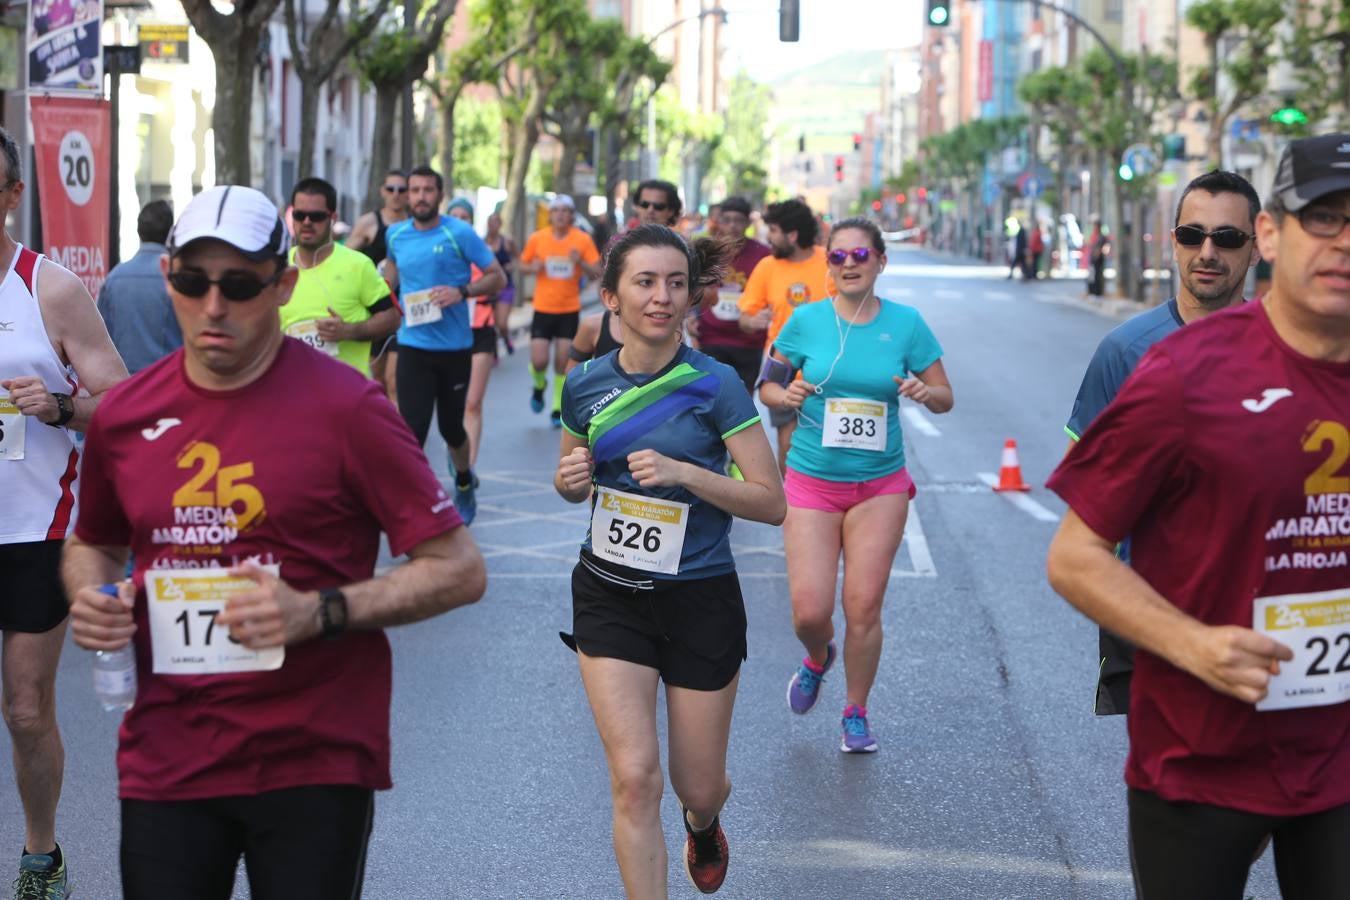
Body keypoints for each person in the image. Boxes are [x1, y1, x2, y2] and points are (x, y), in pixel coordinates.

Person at [61, 184, 486, 899]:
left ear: (282, 285)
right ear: (168, 277)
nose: (213, 306)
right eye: (192, 282)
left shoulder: (349, 408)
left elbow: (458, 568)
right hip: (168, 754)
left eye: (238, 285)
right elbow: (93, 543)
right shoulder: (126, 413)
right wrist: (91, 594)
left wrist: (317, 612)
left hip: (312, 756)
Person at [1045, 133, 1350, 898]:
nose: (1344, 242)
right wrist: (1194, 645)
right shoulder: (1180, 368)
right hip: (1201, 750)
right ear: (1273, 235)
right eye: (1323, 218)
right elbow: (1075, 555)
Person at [554, 224, 785, 897]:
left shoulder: (716, 386)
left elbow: (771, 503)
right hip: (609, 592)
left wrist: (686, 473)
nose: (662, 297)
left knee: (698, 785)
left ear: (690, 297)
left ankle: (703, 823)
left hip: (699, 596)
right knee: (634, 781)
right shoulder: (583, 385)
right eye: (646, 282)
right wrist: (568, 482)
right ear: (611, 297)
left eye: (676, 284)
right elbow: (571, 479)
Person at [1065, 170, 1261, 717]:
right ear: (1174, 242)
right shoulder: (1125, 350)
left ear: (1257, 246)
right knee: (1163, 759)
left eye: (1227, 238)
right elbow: (1087, 497)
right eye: (1192, 235)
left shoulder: (1287, 349)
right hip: (1151, 608)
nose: (1207, 253)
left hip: (1260, 607)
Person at [759, 217, 952, 753]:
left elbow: (945, 395)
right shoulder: (805, 321)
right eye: (838, 256)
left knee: (863, 606)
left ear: (880, 262)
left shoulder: (907, 324)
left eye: (860, 255)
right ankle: (818, 657)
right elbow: (767, 386)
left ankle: (856, 711)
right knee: (810, 612)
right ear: (828, 265)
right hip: (811, 482)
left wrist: (924, 392)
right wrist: (785, 396)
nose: (849, 264)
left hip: (880, 486)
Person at [0, 124, 128, 898]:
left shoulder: (48, 288)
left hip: (34, 530)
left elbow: (121, 400)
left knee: (24, 708)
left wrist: (56, 406)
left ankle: (40, 855)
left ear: (13, 195)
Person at [383, 166, 506, 525]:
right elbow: (391, 278)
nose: (420, 196)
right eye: (414, 190)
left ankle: (464, 481)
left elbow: (497, 278)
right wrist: (382, 295)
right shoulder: (395, 234)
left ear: (439, 194)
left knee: (452, 429)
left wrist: (462, 291)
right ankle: (416, 502)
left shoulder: (459, 233)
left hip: (454, 349)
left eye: (427, 190)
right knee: (413, 430)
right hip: (412, 345)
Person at [737, 199, 832, 472]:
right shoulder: (767, 266)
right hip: (782, 371)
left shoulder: (830, 263)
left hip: (827, 369)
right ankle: (793, 499)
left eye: (774, 230)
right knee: (789, 447)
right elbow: (745, 318)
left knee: (830, 449)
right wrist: (752, 320)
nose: (768, 237)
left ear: (792, 235)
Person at [282, 177, 399, 376]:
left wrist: (348, 331)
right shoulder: (279, 267)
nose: (307, 222)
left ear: (333, 218)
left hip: (347, 389)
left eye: (317, 216)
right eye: (300, 215)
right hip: (293, 386)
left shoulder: (358, 265)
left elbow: (392, 319)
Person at [519, 195, 601, 427]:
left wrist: (579, 262)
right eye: (556, 211)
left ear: (572, 215)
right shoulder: (538, 238)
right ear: (550, 215)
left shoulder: (582, 239)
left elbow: (596, 271)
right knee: (539, 360)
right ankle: (539, 385)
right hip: (543, 308)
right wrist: (532, 267)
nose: (560, 215)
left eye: (565, 211)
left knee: (563, 360)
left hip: (569, 309)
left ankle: (557, 407)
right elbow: (522, 265)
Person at [691, 198, 771, 393]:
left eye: (738, 220)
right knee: (711, 399)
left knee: (742, 401)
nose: (733, 225)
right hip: (712, 337)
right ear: (719, 221)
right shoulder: (708, 250)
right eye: (727, 220)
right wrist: (691, 316)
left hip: (750, 341)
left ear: (748, 223)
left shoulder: (764, 254)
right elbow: (693, 285)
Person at [97, 199, 181, 373]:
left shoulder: (114, 278)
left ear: (138, 230)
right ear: (171, 232)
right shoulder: (179, 278)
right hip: (168, 380)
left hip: (126, 383)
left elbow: (101, 340)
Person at [348, 169, 410, 403]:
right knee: (379, 381)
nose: (396, 194)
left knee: (395, 380)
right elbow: (345, 258)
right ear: (383, 191)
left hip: (406, 311)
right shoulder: (369, 223)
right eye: (391, 189)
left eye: (402, 189)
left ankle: (397, 425)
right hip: (377, 309)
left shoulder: (414, 226)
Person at [446, 198, 496, 467]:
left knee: (473, 403)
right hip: (448, 335)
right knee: (450, 406)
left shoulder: (481, 252)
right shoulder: (438, 253)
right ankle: (457, 450)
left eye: (464, 217)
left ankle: (468, 470)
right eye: (454, 216)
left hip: (481, 331)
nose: (459, 221)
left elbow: (498, 281)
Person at [484, 209, 518, 354]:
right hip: (487, 288)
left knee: (501, 323)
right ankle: (494, 352)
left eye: (495, 222)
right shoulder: (481, 243)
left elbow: (518, 259)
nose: (493, 225)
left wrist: (511, 266)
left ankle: (506, 338)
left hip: (505, 286)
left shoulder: (507, 242)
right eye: (490, 222)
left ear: (500, 224)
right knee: (490, 323)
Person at [1085, 215, 1109, 297]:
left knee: (1097, 276)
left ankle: (1098, 292)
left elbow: (1104, 247)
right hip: (1092, 258)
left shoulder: (1102, 237)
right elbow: (1088, 243)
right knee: (1092, 276)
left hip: (1098, 259)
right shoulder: (1092, 235)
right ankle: (1091, 292)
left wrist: (1099, 253)